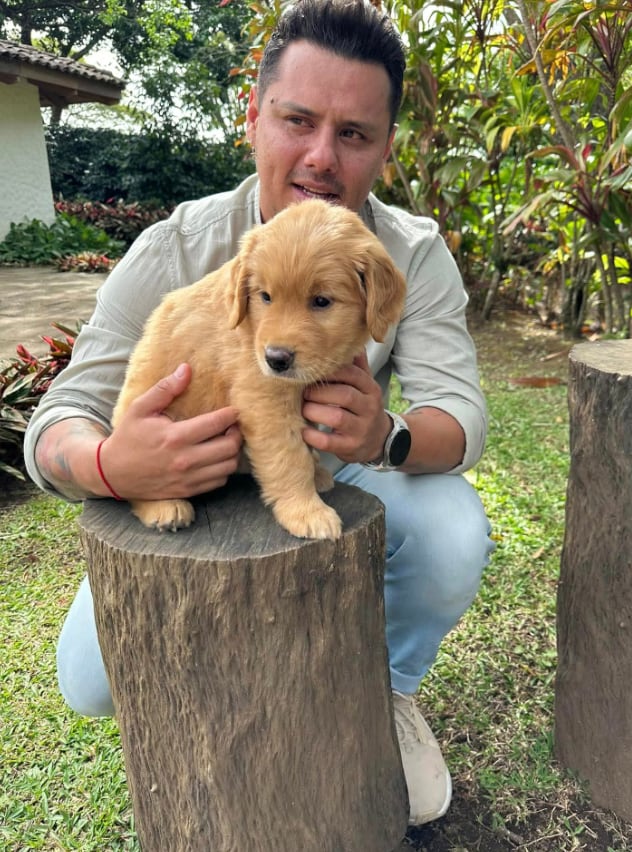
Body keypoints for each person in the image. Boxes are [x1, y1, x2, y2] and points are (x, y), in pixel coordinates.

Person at [24, 0, 494, 827]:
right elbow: (63, 412)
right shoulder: (181, 244)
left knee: (455, 529)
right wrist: (110, 463)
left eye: (353, 133)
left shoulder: (407, 254)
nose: (321, 155)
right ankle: (224, 703)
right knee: (88, 681)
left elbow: (461, 415)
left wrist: (386, 434)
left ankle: (387, 688)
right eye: (298, 120)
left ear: (386, 146)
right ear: (254, 118)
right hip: (185, 468)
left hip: (332, 461)